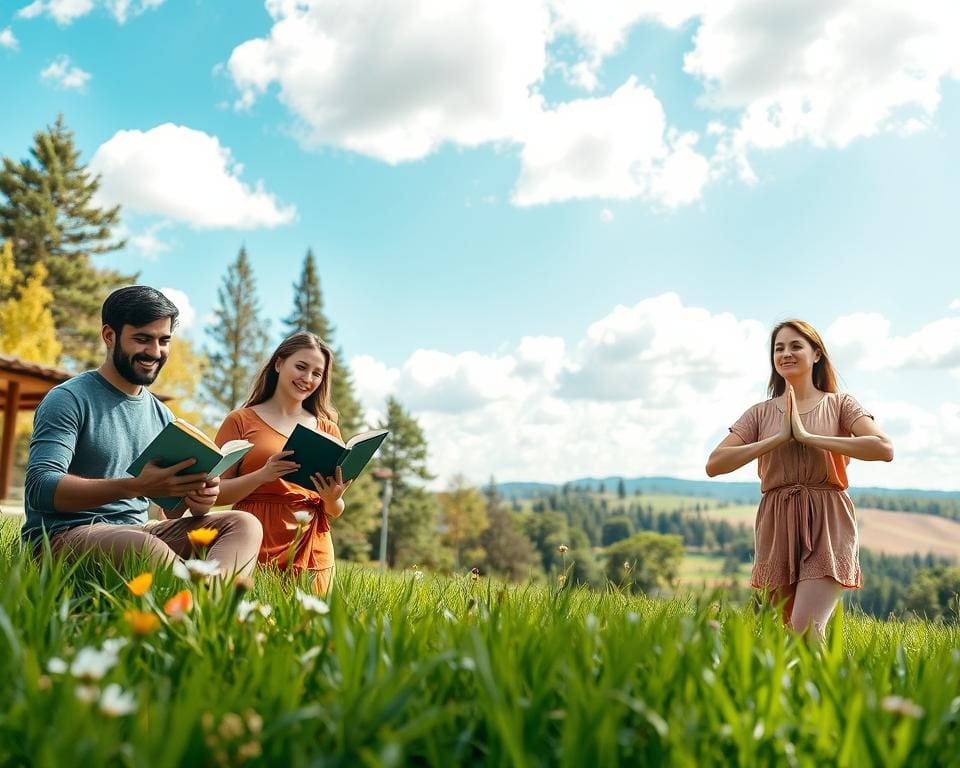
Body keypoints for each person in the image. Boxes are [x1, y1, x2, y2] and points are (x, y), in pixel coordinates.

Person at [22, 286, 263, 577]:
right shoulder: (69, 399)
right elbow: (41, 488)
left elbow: (170, 511)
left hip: (139, 532)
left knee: (244, 524)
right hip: (64, 536)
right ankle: (200, 606)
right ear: (109, 336)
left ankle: (218, 605)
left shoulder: (163, 416)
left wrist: (197, 499)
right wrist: (135, 486)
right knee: (144, 546)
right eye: (142, 339)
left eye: (164, 341)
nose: (155, 351)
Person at [705, 319, 893, 638]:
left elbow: (883, 448)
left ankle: (840, 688)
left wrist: (808, 437)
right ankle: (809, 686)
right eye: (779, 348)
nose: (786, 354)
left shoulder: (840, 404)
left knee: (806, 629)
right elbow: (715, 464)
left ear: (816, 354)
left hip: (827, 519)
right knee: (782, 633)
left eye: (796, 346)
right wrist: (777, 438)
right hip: (777, 523)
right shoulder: (759, 413)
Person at [214, 332, 353, 594]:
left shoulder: (327, 429)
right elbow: (214, 494)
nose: (307, 379)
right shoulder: (240, 420)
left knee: (307, 628)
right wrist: (262, 475)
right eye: (301, 367)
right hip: (253, 535)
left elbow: (335, 510)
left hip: (312, 542)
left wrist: (332, 498)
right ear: (279, 364)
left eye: (317, 373)